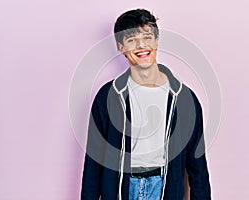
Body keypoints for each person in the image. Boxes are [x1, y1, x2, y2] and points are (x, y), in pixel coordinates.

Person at [81, 8, 211, 200]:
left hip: (164, 187)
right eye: (131, 39)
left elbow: (197, 164)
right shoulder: (108, 96)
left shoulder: (184, 99)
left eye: (147, 37)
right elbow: (94, 160)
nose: (141, 45)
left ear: (156, 41)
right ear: (121, 47)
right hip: (120, 189)